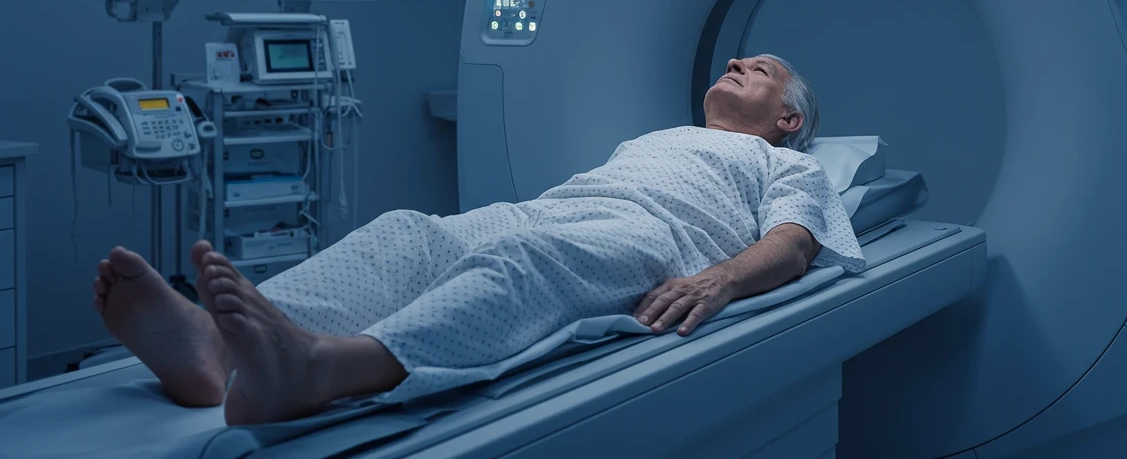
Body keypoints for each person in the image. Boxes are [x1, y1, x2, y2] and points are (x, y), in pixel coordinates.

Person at [91, 54, 863, 426]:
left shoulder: (777, 163)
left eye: (756, 69)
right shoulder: (658, 135)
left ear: (787, 120)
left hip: (653, 235)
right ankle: (211, 348)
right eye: (734, 59)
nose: (734, 64)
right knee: (412, 233)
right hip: (556, 205)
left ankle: (327, 368)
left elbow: (794, 246)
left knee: (529, 264)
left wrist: (719, 279)